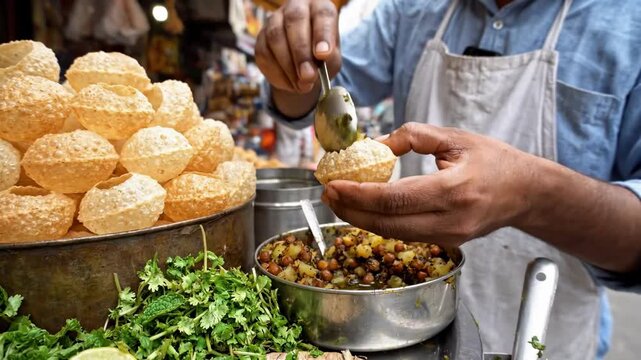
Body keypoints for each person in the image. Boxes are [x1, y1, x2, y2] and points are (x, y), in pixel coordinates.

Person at [255, 0, 641, 359]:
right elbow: (314, 99)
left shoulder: (627, 22)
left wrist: (532, 196)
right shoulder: (412, 7)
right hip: (397, 328)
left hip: (547, 330)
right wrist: (293, 66)